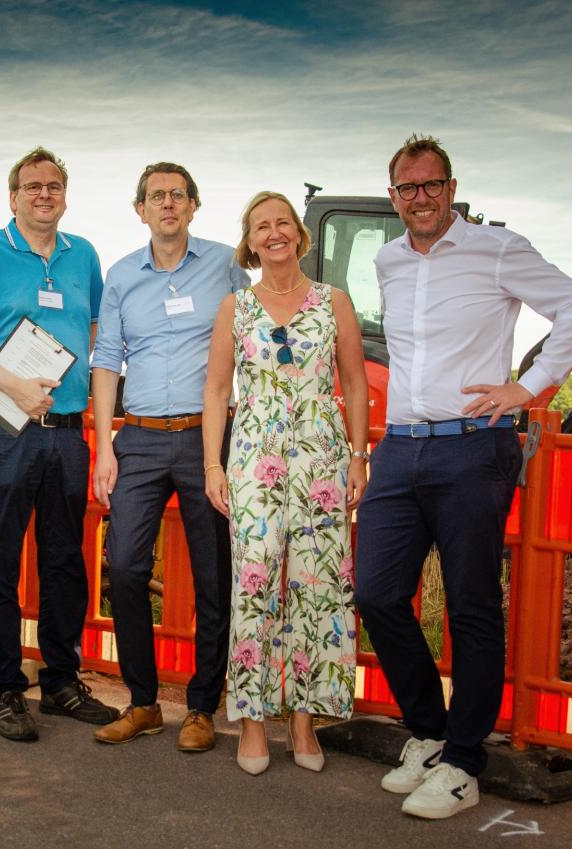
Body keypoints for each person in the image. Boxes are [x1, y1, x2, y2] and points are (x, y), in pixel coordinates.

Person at [354, 135, 572, 819]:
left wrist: (531, 387)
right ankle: (431, 732)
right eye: (408, 189)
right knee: (375, 590)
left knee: (470, 605)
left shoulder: (498, 247)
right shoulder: (388, 259)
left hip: (473, 446)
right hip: (401, 448)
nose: (421, 198)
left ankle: (464, 763)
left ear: (451, 188)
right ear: (395, 196)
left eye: (431, 185)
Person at [0, 146, 117, 741]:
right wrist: (15, 385)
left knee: (66, 561)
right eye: (33, 186)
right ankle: (8, 687)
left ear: (65, 195)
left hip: (67, 435)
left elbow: (93, 333)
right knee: (4, 561)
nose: (45, 194)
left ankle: (63, 680)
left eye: (55, 185)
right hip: (7, 432)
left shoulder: (82, 254)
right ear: (13, 197)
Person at [202, 191, 369, 775]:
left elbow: (354, 383)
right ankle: (251, 721)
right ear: (248, 242)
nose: (273, 233)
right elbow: (218, 392)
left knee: (316, 588)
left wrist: (357, 455)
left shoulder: (334, 302)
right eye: (260, 227)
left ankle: (303, 721)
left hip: (322, 460)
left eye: (282, 224)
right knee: (254, 585)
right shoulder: (236, 309)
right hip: (253, 462)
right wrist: (213, 467)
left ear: (299, 234)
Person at [89, 162, 249, 751]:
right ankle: (143, 703)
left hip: (209, 438)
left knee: (213, 575)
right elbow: (106, 359)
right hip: (142, 436)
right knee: (126, 568)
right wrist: (105, 445)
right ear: (141, 209)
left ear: (192, 206)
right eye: (156, 196)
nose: (167, 204)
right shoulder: (121, 274)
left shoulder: (224, 265)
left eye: (177, 195)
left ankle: (204, 706)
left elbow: (253, 338)